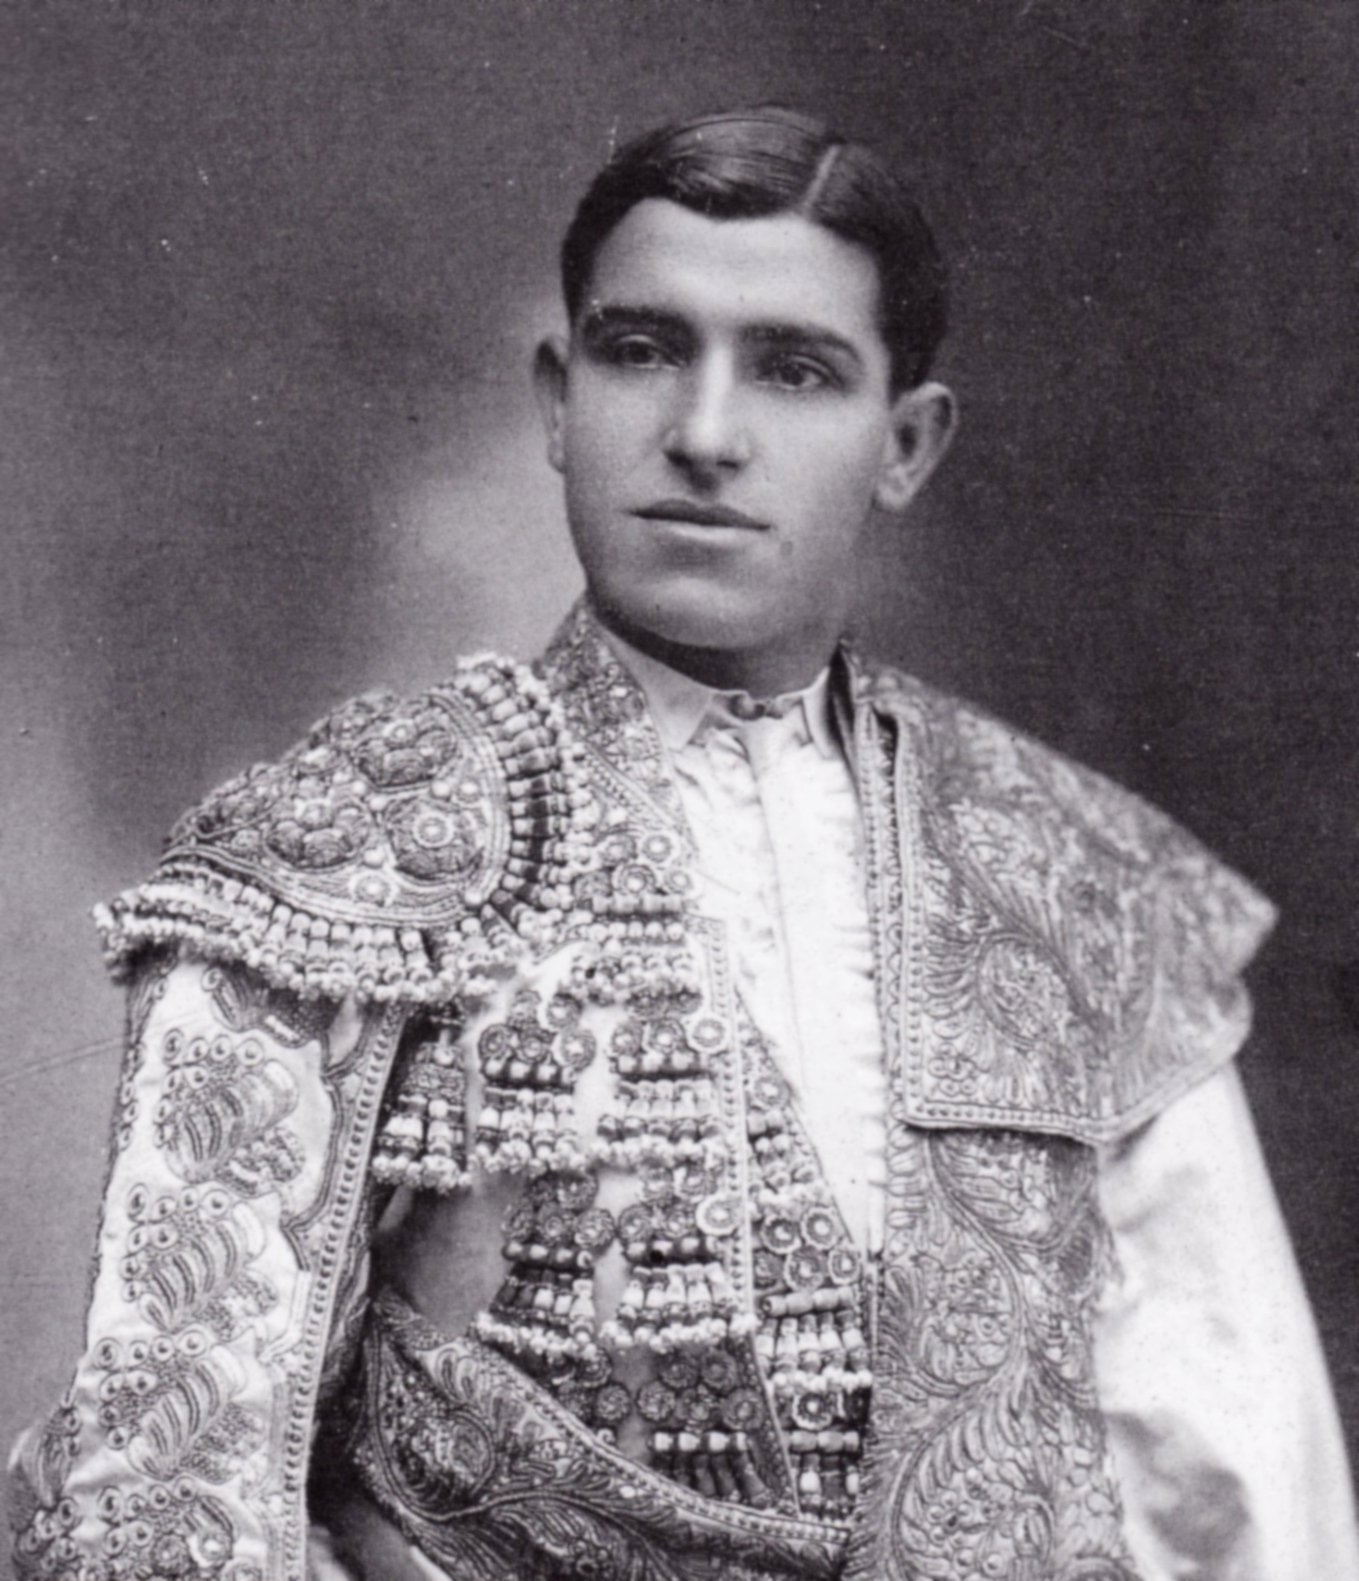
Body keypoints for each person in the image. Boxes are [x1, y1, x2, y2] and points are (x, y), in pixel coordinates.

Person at [9, 106, 1356, 1581]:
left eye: (794, 370)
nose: (706, 435)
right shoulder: (337, 849)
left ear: (906, 444)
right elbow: (166, 1496)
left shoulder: (1075, 874)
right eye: (644, 350)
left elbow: (1244, 1487)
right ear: (556, 400)